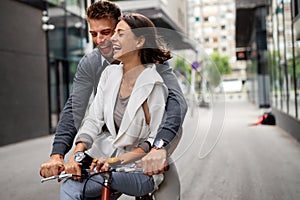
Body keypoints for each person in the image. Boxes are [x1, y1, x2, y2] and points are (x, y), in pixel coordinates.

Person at [40, 0, 187, 179]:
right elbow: (74, 108)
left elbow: (176, 102)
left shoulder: (150, 59)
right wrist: (57, 155)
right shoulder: (90, 64)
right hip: (109, 134)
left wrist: (159, 146)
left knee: (157, 179)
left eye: (106, 32)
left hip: (151, 135)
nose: (100, 40)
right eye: (93, 34)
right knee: (82, 181)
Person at [60, 12, 175, 199]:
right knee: (71, 184)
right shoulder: (109, 74)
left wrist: (114, 162)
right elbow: (93, 120)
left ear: (139, 42)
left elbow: (153, 140)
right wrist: (77, 153)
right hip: (107, 161)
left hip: (140, 169)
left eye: (120, 34)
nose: (112, 38)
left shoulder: (154, 83)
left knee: (85, 184)